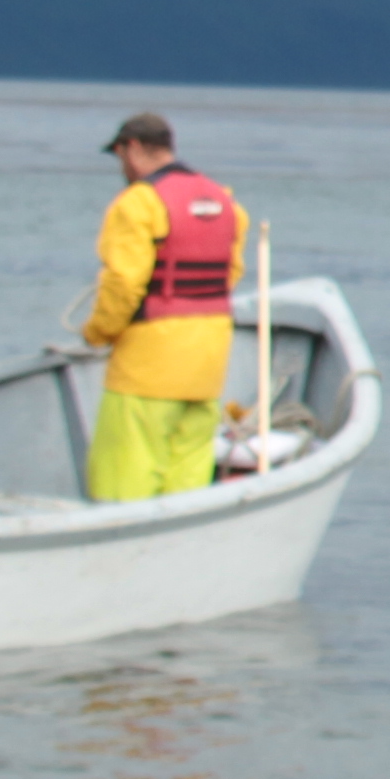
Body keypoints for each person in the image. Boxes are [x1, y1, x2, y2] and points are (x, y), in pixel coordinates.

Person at [82, 111, 250, 503]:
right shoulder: (223, 201)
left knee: (124, 479)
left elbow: (123, 283)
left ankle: (124, 558)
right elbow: (232, 272)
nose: (122, 166)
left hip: (148, 370)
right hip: (207, 365)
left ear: (133, 148)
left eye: (120, 155)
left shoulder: (138, 203)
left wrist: (99, 332)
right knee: (187, 481)